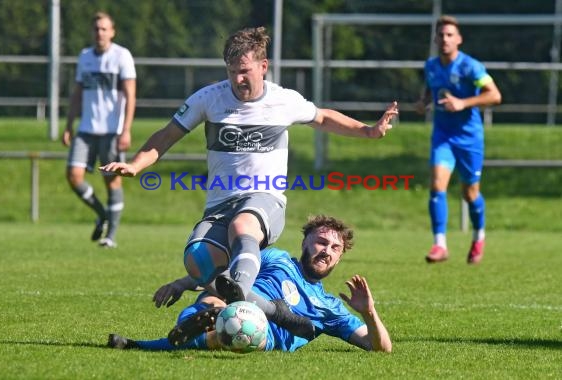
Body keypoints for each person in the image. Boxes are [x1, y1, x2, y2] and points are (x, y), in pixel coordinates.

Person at [100, 26, 397, 339]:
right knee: (196, 260)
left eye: (244, 71)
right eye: (231, 72)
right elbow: (167, 135)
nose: (237, 80)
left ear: (263, 66)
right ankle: (270, 310)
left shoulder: (283, 100)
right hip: (219, 204)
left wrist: (368, 131)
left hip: (264, 199)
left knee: (242, 227)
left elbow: (322, 117)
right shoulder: (210, 98)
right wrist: (136, 164)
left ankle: (239, 292)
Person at [108, 215, 392, 353]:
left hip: (263, 335)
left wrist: (369, 312)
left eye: (335, 247)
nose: (327, 250)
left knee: (234, 320)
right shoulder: (276, 258)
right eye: (321, 241)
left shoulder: (329, 306)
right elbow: (226, 273)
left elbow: (381, 348)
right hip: (230, 300)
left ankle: (142, 345)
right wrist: (182, 283)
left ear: (340, 256)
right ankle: (215, 318)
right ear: (305, 241)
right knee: (215, 301)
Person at [415, 15, 501, 264]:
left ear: (459, 39)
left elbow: (494, 95)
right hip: (443, 136)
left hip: (469, 139)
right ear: (435, 39)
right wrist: (423, 103)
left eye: (450, 35)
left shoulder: (470, 67)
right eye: (441, 35)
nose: (445, 39)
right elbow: (430, 89)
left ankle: (478, 237)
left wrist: (463, 102)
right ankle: (440, 244)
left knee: (470, 193)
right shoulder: (431, 66)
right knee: (436, 186)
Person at [62, 11, 136, 248]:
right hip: (86, 129)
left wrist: (126, 130)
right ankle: (102, 213)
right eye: (96, 29)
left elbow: (130, 95)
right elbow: (77, 93)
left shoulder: (122, 56)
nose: (99, 33)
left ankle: (110, 236)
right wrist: (68, 124)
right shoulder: (85, 56)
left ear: (112, 32)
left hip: (111, 131)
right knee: (73, 176)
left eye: (104, 29)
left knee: (111, 181)